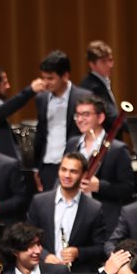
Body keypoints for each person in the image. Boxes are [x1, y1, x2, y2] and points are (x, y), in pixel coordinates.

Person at [26, 151, 107, 270]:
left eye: (73, 171)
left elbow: (101, 248)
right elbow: (28, 238)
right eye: (63, 169)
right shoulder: (40, 202)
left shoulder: (94, 208)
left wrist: (78, 252)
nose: (67, 175)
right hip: (43, 271)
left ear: (84, 175)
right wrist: (45, 256)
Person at [71, 95, 135, 231]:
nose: (80, 119)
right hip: (74, 213)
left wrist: (100, 186)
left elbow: (128, 189)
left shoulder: (118, 149)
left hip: (104, 218)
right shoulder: (72, 144)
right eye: (78, 115)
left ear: (100, 118)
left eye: (86, 114)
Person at [34, 50, 89, 193]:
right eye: (44, 78)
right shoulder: (42, 99)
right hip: (47, 165)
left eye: (50, 78)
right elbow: (40, 134)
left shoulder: (83, 98)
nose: (45, 83)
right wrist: (36, 167)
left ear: (65, 76)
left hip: (72, 164)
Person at [78, 40, 118, 121]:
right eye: (103, 61)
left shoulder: (102, 82)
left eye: (110, 60)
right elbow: (110, 115)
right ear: (92, 64)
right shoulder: (90, 87)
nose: (109, 65)